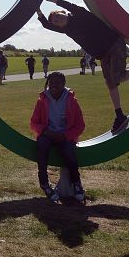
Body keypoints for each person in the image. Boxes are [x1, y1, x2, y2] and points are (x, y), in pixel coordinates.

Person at [37, 0, 129, 135]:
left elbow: (70, 5)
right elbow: (46, 25)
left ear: (63, 12)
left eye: (58, 15)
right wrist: (37, 9)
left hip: (114, 44)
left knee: (118, 77)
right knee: (111, 84)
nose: (58, 19)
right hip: (103, 55)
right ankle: (119, 115)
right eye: (56, 21)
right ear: (58, 26)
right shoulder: (66, 29)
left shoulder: (79, 14)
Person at [30, 71, 86, 203]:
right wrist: (45, 131)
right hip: (47, 134)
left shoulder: (71, 101)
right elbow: (34, 123)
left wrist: (65, 135)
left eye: (57, 83)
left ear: (64, 83)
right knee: (42, 148)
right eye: (51, 83)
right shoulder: (42, 100)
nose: (53, 85)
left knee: (68, 152)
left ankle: (76, 183)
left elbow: (80, 126)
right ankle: (44, 184)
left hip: (65, 135)